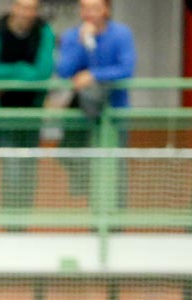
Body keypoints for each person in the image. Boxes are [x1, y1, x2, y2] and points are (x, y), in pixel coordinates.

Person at [0, 0, 54, 218]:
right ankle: (11, 221)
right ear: (13, 7)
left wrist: (10, 77)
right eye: (22, 6)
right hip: (2, 112)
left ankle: (24, 220)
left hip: (32, 112)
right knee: (11, 167)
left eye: (32, 8)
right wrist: (23, 70)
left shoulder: (43, 31)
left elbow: (44, 72)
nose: (27, 13)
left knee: (29, 168)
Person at [55, 0, 134, 205]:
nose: (88, 13)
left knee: (115, 166)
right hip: (83, 113)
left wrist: (93, 75)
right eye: (84, 7)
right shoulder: (73, 36)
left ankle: (114, 222)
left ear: (106, 10)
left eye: (94, 8)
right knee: (81, 160)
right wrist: (82, 43)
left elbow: (126, 69)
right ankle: (96, 215)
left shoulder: (121, 34)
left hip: (115, 111)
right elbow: (64, 71)